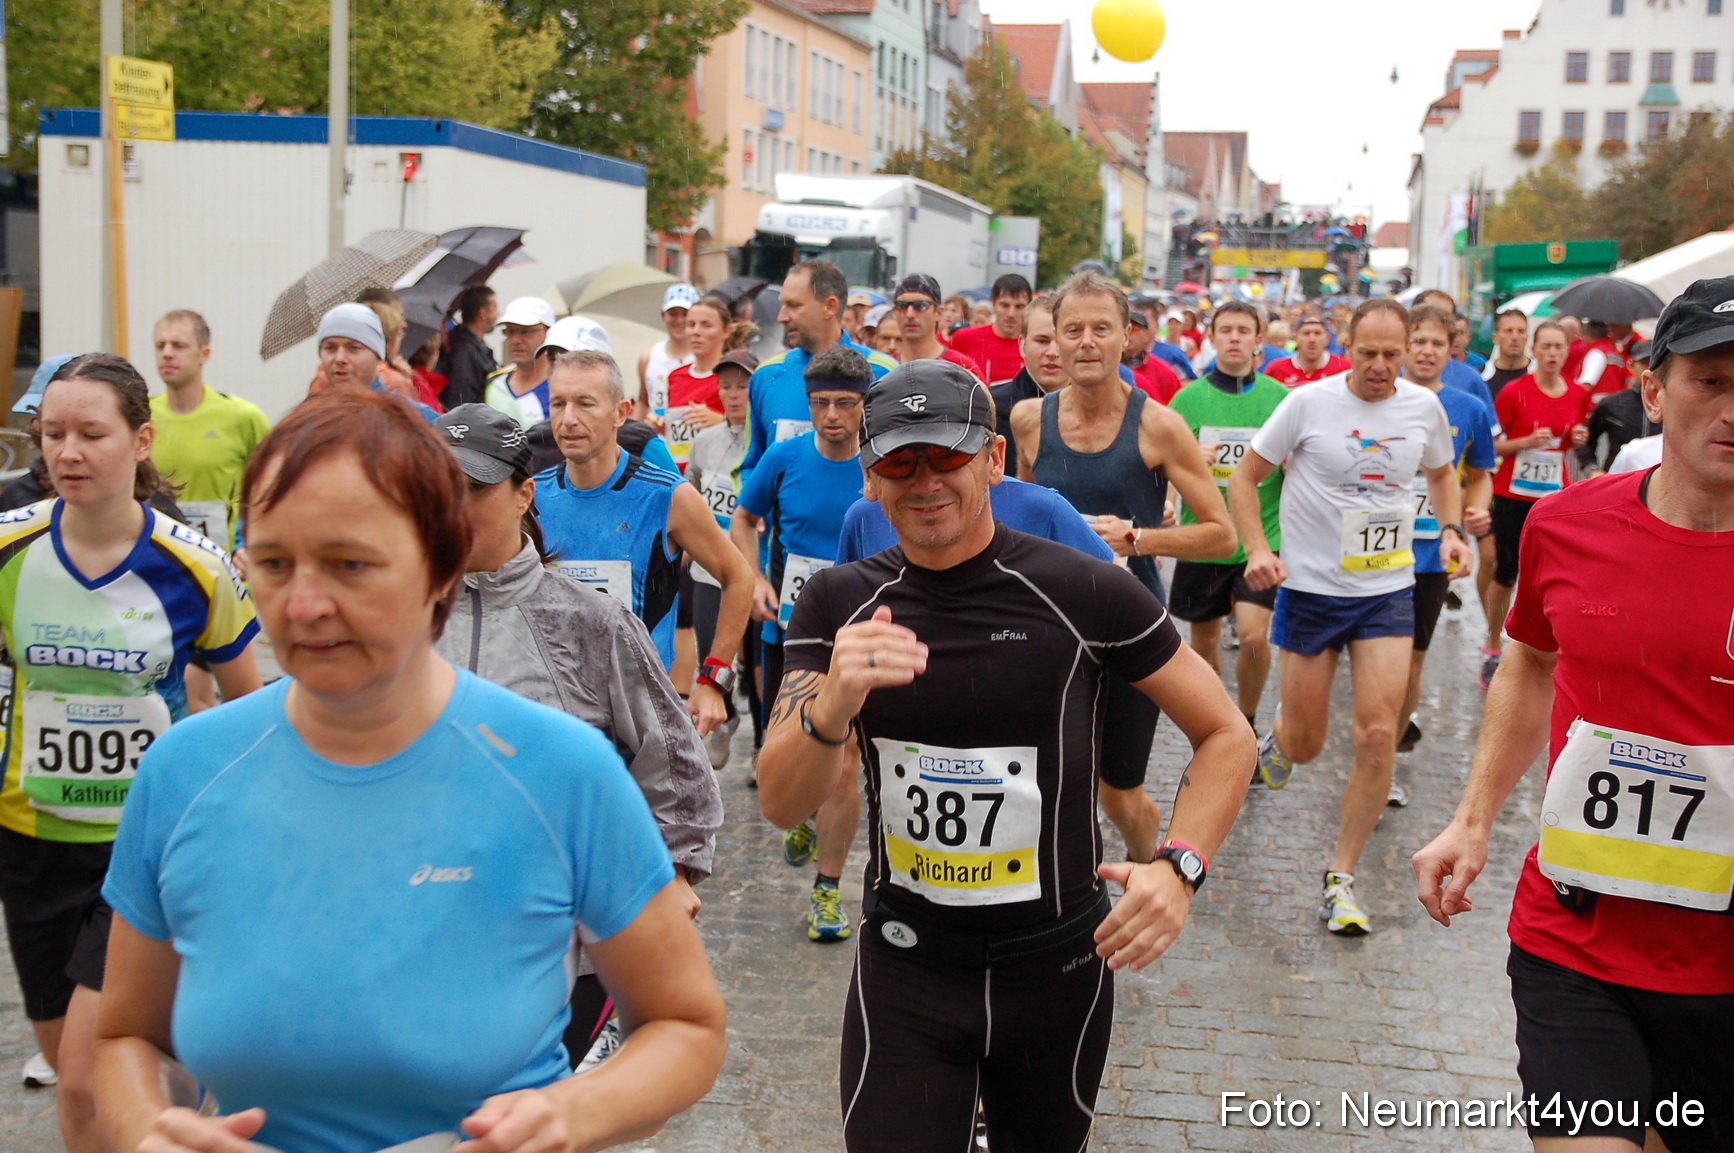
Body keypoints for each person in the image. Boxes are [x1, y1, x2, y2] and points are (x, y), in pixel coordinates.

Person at [94, 389, 727, 1153]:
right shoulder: (184, 771)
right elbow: (128, 1036)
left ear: (437, 564)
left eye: (349, 563)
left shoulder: (561, 770)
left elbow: (684, 1025)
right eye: (271, 562)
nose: (305, 604)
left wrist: (573, 1111)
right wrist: (145, 1133)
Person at [758, 359, 1252, 1153]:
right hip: (906, 967)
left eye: (948, 455)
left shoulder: (1084, 589)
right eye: (900, 461)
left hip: (1055, 970)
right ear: (871, 476)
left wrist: (1179, 866)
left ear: (993, 458)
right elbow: (781, 802)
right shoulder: (837, 602)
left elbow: (1228, 733)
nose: (925, 481)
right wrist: (832, 701)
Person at [1413, 276, 1734, 1153]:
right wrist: (1472, 820)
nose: (1733, 408)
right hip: (1576, 939)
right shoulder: (1566, 526)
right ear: (1654, 389)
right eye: (1712, 380)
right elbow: (1531, 659)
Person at [1, 353, 262, 1153]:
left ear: (141, 440)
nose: (67, 452)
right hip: (30, 840)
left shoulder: (194, 565)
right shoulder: (8, 547)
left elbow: (249, 708)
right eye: (52, 434)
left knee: (86, 1075)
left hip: (143, 847)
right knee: (79, 1090)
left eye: (90, 433)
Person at [429, 403, 722, 1067]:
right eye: (435, 490)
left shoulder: (591, 623)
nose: (452, 509)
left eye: (473, 490)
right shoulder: (397, 619)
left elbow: (676, 767)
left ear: (523, 492)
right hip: (426, 938)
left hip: (563, 954)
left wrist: (673, 872)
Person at [1232, 298, 1472, 935]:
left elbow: (1445, 476)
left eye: (1393, 355)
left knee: (1375, 733)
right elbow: (1244, 479)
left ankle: (1341, 877)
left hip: (1385, 590)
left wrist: (1449, 531)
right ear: (1349, 344)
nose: (1381, 366)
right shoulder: (1308, 403)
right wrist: (1259, 549)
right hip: (1311, 592)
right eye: (1368, 353)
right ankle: (1279, 739)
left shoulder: (1423, 407)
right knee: (1307, 745)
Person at [1011, 272, 1237, 864]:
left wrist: (1137, 537)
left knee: (1120, 793)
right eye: (1072, 330)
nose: (1086, 342)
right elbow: (1022, 518)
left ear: (1126, 338)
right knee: (1047, 780)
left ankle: (1145, 868)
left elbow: (1221, 535)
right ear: (1053, 340)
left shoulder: (1158, 424)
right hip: (1051, 628)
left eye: (1101, 329)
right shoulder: (1029, 421)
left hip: (1132, 628)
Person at [730, 348, 873, 941]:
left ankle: (827, 891)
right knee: (789, 754)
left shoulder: (879, 465)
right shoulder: (784, 458)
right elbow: (743, 519)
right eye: (820, 404)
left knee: (844, 764)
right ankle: (805, 815)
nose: (832, 415)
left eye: (845, 403)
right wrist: (757, 577)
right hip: (788, 632)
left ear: (865, 404)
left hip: (859, 637)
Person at [532, 348, 752, 718]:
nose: (568, 419)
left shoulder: (667, 496)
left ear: (621, 412)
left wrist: (714, 681)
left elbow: (739, 577)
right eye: (558, 404)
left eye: (585, 404)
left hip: (639, 712)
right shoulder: (533, 496)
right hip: (557, 709)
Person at [1166, 302, 1289, 738]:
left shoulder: (1280, 399)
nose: (1234, 338)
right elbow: (1161, 460)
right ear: (1212, 339)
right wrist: (1184, 462)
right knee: (1204, 644)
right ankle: (1220, 729)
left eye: (1244, 330)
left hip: (1261, 536)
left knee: (1254, 637)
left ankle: (1250, 724)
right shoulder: (1187, 399)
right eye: (1226, 330)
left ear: (1260, 341)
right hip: (1205, 536)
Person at [1391, 306, 1495, 776]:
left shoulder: (1469, 405)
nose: (1427, 350)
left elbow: (1479, 474)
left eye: (1437, 342)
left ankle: (1388, 752)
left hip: (1430, 557)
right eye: (1418, 340)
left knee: (1413, 657)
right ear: (1403, 344)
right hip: (1369, 550)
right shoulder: (1376, 396)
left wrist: (1476, 508)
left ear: (1451, 347)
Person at [1480, 320, 1594, 690]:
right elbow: (1490, 446)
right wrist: (1524, 441)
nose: (1551, 354)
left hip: (1553, 497)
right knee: (1506, 570)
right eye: (1544, 347)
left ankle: (1545, 647)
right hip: (1512, 494)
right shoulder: (1515, 392)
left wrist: (1577, 438)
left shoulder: (1577, 394)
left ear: (1566, 351)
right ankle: (1494, 643)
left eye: (1558, 348)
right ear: (1534, 350)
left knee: (1553, 574)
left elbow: (1573, 440)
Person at [742, 260, 895, 473]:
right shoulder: (766, 375)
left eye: (793, 305)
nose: (781, 317)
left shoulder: (885, 373)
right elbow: (749, 466)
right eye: (782, 305)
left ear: (829, 307)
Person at [686, 349, 761, 769]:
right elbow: (691, 491)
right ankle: (727, 718)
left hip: (754, 569)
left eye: (743, 385)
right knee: (711, 654)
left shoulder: (766, 444)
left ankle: (761, 742)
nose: (734, 394)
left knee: (754, 666)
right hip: (709, 569)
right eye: (727, 385)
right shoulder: (705, 442)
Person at [148, 309, 270, 551]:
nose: (167, 354)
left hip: (227, 567)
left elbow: (270, 489)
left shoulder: (243, 417)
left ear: (204, 354)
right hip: (161, 562)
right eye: (160, 346)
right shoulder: (142, 417)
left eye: (178, 345)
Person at [662, 295, 749, 474]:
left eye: (706, 325)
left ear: (726, 331)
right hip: (678, 475)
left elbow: (755, 427)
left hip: (718, 473)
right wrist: (662, 425)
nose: (696, 332)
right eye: (691, 324)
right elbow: (678, 433)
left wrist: (719, 421)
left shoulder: (736, 376)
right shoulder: (676, 376)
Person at [315, 303, 439, 422]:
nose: (339, 358)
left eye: (353, 348)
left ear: (378, 355)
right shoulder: (310, 421)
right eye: (330, 348)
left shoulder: (413, 418)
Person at [987, 293, 1064, 469]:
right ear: (1022, 344)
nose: (1052, 352)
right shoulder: (989, 409)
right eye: (1042, 341)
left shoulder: (1101, 414)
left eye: (1060, 341)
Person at [1581, 339, 1662, 476]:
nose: (1650, 369)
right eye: (1645, 363)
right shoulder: (1612, 403)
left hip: (1659, 481)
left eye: (1655, 364)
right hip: (1618, 478)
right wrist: (1592, 470)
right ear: (1631, 365)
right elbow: (1585, 441)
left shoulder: (1673, 405)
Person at [635, 283, 700, 437]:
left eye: (685, 313)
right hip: (658, 443)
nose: (679, 320)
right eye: (673, 313)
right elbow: (643, 402)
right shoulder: (648, 357)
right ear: (663, 314)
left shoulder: (706, 357)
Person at [483, 295, 557, 426]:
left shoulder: (561, 386)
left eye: (526, 332)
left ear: (549, 333)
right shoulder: (494, 384)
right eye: (510, 332)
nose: (515, 341)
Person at [891, 273, 983, 379]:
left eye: (920, 306)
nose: (910, 314)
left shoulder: (962, 368)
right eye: (902, 306)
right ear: (894, 311)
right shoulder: (885, 367)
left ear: (938, 313)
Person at [947, 274, 1033, 385]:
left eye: (1019, 307)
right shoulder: (964, 338)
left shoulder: (1036, 344)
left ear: (1029, 307)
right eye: (1005, 305)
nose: (1011, 314)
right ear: (993, 304)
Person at [438, 284, 499, 409]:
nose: (498, 314)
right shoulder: (464, 351)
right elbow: (461, 400)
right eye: (495, 308)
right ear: (483, 313)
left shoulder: (473, 347)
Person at [1265, 315, 1350, 386]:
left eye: (1317, 333)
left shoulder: (1345, 369)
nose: (1312, 339)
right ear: (1295, 338)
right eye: (1306, 333)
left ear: (1327, 338)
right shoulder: (1276, 369)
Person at [1122, 310, 1184, 404]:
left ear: (1147, 335)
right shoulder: (1105, 370)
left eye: (1134, 329)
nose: (1128, 334)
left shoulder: (1164, 372)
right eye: (1124, 329)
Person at [1481, 308, 1530, 400]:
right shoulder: (1482, 377)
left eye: (1521, 331)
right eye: (1508, 331)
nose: (1515, 337)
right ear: (1495, 338)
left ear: (1526, 337)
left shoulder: (1538, 374)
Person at [1579, 318, 1635, 398]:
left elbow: (1586, 384)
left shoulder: (1596, 353)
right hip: (1614, 403)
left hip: (1596, 406)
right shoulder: (1614, 352)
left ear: (1589, 335)